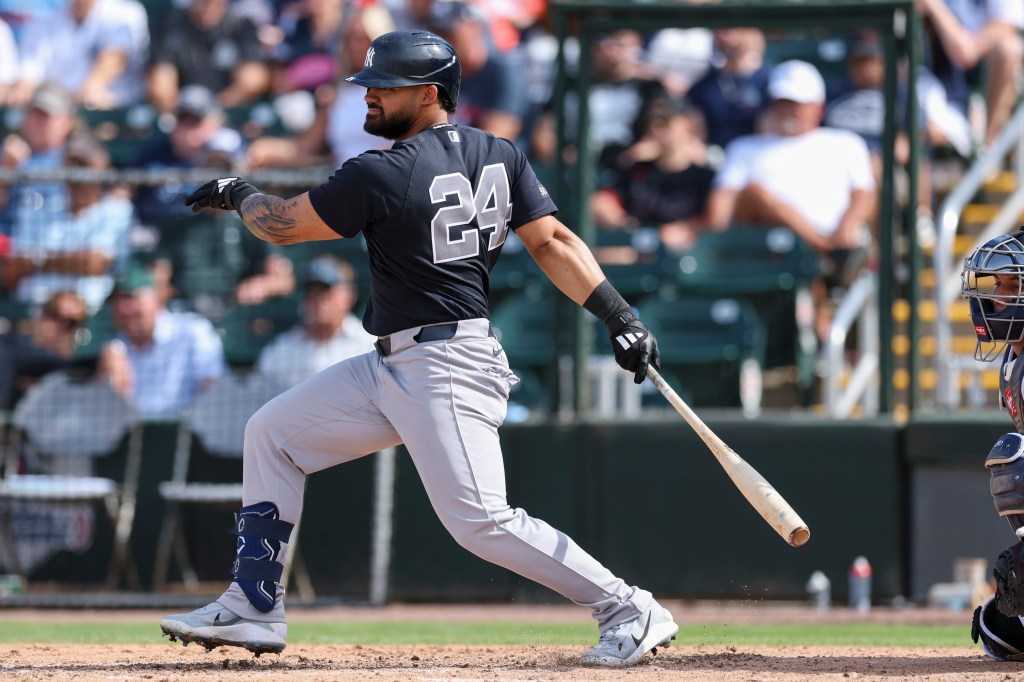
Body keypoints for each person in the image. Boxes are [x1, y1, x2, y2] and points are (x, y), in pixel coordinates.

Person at [159, 29, 675, 667]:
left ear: (430, 93)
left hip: (445, 365)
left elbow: (282, 225)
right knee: (272, 434)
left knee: (480, 521)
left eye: (384, 88)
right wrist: (619, 315)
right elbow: (554, 244)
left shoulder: (384, 171)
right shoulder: (498, 151)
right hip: (394, 362)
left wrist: (238, 192)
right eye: (369, 85)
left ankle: (627, 605)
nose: (369, 98)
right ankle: (254, 606)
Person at [707, 60, 876, 340]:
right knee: (756, 193)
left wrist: (849, 224)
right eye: (782, 102)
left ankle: (821, 263)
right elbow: (720, 212)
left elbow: (864, 193)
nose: (787, 110)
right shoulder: (744, 148)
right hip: (768, 249)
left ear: (818, 106)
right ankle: (825, 254)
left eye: (796, 102)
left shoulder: (845, 143)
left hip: (837, 237)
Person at [960, 230, 1024, 660]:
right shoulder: (1013, 364)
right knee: (998, 633)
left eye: (1012, 286)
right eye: (998, 285)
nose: (997, 298)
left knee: (1017, 467)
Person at [2, 132, 134, 314]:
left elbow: (94, 263)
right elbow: (11, 271)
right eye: (72, 167)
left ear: (101, 169)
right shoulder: (38, 208)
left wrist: (36, 261)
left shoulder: (116, 209)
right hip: (34, 314)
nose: (77, 177)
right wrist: (70, 262)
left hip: (87, 317)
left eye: (84, 167)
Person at [95, 263, 227, 419]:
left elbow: (214, 385)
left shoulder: (192, 330)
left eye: (132, 298)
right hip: (131, 438)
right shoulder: (114, 348)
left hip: (189, 433)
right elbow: (103, 413)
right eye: (117, 301)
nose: (125, 308)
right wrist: (107, 378)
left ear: (156, 298)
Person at [589, 97, 715, 252]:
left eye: (665, 123)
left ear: (686, 125)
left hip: (690, 252)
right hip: (640, 247)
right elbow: (602, 203)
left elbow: (715, 220)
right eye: (651, 123)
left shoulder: (703, 175)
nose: (656, 130)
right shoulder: (636, 169)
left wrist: (687, 227)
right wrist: (631, 227)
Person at [255, 255, 375, 388]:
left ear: (349, 295)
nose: (320, 299)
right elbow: (258, 399)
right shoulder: (280, 351)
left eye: (327, 290)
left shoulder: (370, 345)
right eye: (313, 291)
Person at [916, 0, 1024, 149]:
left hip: (970, 80)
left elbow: (966, 53)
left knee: (1010, 49)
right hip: (931, 77)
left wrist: (934, 6)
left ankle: (989, 150)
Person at [6, 0, 150, 110]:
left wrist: (86, 93)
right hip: (54, 111)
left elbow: (113, 59)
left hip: (111, 110)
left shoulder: (126, 12)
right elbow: (26, 77)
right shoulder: (41, 24)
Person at [147, 0, 271, 115]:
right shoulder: (170, 23)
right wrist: (187, 114)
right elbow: (161, 86)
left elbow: (252, 82)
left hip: (227, 113)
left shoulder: (241, 24)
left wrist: (213, 110)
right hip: (183, 114)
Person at [0, 290, 90, 411]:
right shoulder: (10, 348)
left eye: (71, 322)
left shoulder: (81, 371)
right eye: (54, 315)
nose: (60, 325)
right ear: (42, 314)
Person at [686, 28, 772, 151]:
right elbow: (695, 132)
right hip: (715, 158)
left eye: (736, 30)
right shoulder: (704, 87)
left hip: (758, 156)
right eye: (722, 30)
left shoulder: (770, 81)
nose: (728, 37)